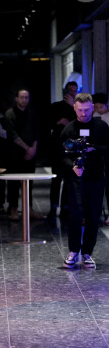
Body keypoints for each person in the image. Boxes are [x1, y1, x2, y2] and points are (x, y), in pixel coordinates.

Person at [60, 93, 109, 269]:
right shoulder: (69, 129)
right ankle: (73, 251)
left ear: (92, 108)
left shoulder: (101, 127)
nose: (83, 114)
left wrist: (94, 148)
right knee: (75, 214)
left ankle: (87, 253)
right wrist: (72, 167)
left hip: (95, 178)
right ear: (75, 108)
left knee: (93, 216)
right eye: (80, 110)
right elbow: (61, 155)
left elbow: (108, 149)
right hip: (75, 178)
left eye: (87, 110)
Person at [3, 89, 40, 220]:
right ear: (16, 99)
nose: (24, 100)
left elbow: (36, 133)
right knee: (13, 183)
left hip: (30, 154)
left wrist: (33, 149)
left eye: (26, 97)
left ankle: (28, 209)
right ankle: (13, 209)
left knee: (29, 182)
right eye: (22, 97)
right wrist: (27, 148)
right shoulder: (9, 114)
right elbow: (13, 135)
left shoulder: (32, 114)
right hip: (14, 154)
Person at [48, 82, 78, 223]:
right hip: (57, 147)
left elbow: (80, 123)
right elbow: (47, 124)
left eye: (75, 90)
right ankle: (53, 207)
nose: (72, 93)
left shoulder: (78, 108)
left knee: (69, 179)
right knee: (56, 178)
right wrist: (59, 122)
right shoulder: (55, 107)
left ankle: (66, 207)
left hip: (71, 148)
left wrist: (74, 105)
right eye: (70, 90)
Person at [92, 92, 109, 226]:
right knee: (96, 186)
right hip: (96, 155)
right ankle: (95, 213)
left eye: (101, 107)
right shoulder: (93, 116)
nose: (98, 110)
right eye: (96, 107)